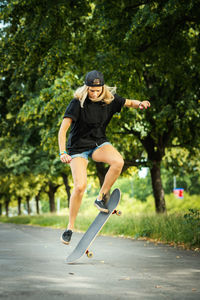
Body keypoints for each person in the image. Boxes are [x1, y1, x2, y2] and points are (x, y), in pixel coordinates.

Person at [58, 70, 150, 244]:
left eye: (97, 90)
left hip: (98, 143)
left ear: (102, 88)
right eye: (91, 90)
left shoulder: (110, 99)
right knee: (79, 186)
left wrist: (141, 104)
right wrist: (63, 152)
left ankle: (100, 198)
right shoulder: (77, 103)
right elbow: (63, 129)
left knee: (118, 162)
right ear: (86, 88)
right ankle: (69, 228)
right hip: (78, 148)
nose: (94, 94)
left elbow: (129, 102)